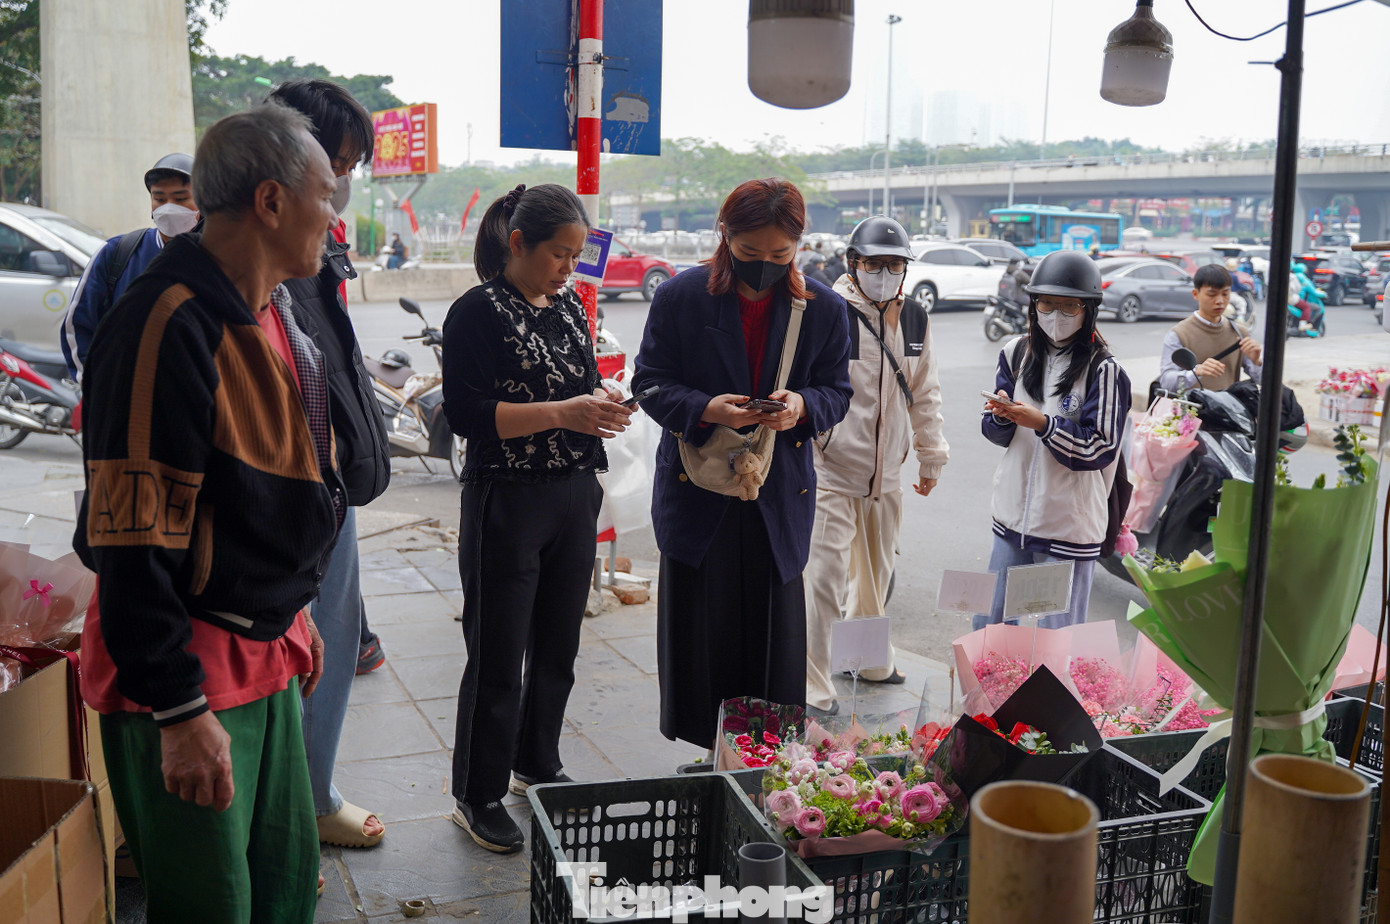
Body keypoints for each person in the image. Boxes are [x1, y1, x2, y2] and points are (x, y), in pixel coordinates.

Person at [73, 103, 342, 923]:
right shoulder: (163, 320)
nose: (335, 217)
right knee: (210, 905)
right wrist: (179, 711)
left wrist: (294, 610)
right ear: (269, 201)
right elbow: (130, 536)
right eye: (326, 195)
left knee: (283, 889)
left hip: (262, 646)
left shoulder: (276, 312)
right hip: (184, 670)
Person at [632, 177, 853, 748]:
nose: (764, 266)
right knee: (703, 632)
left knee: (772, 635)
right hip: (699, 492)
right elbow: (650, 383)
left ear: (799, 245)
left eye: (780, 255)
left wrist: (802, 405)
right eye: (750, 252)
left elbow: (836, 391)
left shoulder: (824, 308)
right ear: (724, 235)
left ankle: (765, 753)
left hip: (777, 495)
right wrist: (705, 407)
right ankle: (711, 753)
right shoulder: (681, 297)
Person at [442, 183, 629, 853]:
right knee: (497, 652)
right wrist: (561, 413)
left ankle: (536, 761)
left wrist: (601, 405)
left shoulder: (570, 307)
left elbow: (574, 388)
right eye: (558, 254)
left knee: (558, 644)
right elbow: (464, 416)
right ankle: (477, 791)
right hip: (508, 498)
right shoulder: (477, 312)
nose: (566, 269)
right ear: (518, 243)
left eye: (575, 257)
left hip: (573, 491)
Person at [267, 78, 391, 852]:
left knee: (332, 636)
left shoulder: (319, 248)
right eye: (332, 166)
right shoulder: (235, 273)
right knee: (280, 653)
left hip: (330, 487)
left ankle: (311, 793)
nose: (340, 187)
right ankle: (282, 816)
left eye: (348, 168)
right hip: (280, 495)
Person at [803, 216, 948, 714]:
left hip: (886, 473)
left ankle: (869, 660)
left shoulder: (914, 320)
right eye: (874, 264)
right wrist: (818, 440)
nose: (884, 273)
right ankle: (812, 682)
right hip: (830, 469)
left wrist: (931, 454)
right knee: (821, 578)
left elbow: (923, 392)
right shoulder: (827, 313)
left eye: (894, 265)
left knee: (876, 573)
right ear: (853, 263)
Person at [977, 249, 1131, 630]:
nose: (1056, 315)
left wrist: (1044, 424)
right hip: (1011, 517)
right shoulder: (1015, 352)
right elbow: (997, 435)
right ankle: (983, 693)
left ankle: (1050, 693)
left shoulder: (1105, 370)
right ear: (1033, 304)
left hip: (1068, 528)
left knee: (1054, 641)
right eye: (1047, 303)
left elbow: (1100, 448)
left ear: (1088, 310)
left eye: (1069, 306)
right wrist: (1000, 418)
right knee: (989, 629)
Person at [60, 152, 198, 380]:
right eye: (160, 199)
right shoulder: (117, 253)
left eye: (181, 199)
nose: (169, 207)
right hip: (125, 398)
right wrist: (95, 386)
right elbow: (77, 326)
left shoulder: (220, 260)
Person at [1158, 263, 1262, 394]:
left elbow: (1262, 380)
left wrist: (1256, 361)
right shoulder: (1179, 334)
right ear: (1195, 294)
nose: (1220, 301)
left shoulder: (1240, 333)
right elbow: (1167, 382)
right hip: (1192, 412)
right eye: (1212, 294)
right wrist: (1196, 372)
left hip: (1230, 410)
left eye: (1225, 294)